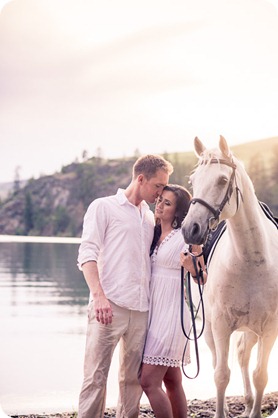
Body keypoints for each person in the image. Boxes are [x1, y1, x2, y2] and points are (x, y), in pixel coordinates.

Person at [77, 154, 174, 418]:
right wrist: (98, 296)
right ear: (140, 178)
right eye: (157, 186)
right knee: (95, 377)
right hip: (108, 307)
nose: (160, 192)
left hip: (141, 311)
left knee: (131, 382)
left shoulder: (148, 216)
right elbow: (87, 254)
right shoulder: (103, 207)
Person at [140, 184, 207, 418]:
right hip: (153, 314)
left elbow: (202, 277)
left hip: (172, 316)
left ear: (179, 212)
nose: (159, 205)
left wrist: (191, 267)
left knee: (148, 381)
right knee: (171, 379)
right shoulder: (153, 233)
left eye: (167, 203)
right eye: (159, 200)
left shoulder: (186, 238)